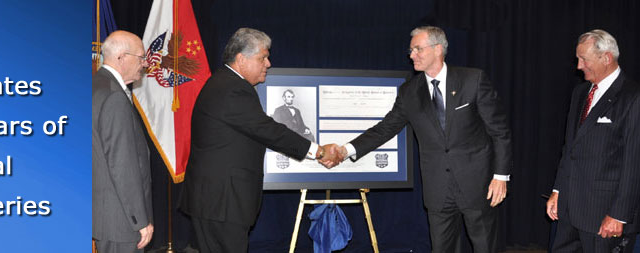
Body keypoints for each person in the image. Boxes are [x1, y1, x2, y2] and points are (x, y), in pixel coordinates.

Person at [323, 26, 511, 252]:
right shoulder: (409, 92)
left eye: (417, 49)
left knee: (486, 247)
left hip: (478, 185)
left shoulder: (473, 79)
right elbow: (384, 129)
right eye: (411, 50)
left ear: (438, 49)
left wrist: (500, 176)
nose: (411, 55)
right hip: (437, 190)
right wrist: (345, 151)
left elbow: (499, 131)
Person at [179, 28, 337, 253]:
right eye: (263, 57)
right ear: (241, 59)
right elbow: (267, 130)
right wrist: (319, 151)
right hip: (222, 202)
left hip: (216, 201)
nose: (269, 63)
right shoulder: (232, 89)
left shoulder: (225, 84)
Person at [546, 29, 640, 252]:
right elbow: (570, 148)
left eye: (583, 59)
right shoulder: (580, 93)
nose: (578, 66)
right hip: (570, 211)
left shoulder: (633, 97)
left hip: (605, 216)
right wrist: (558, 191)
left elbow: (634, 164)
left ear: (606, 58)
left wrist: (619, 214)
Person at [92, 30, 154, 253]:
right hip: (122, 220)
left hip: (106, 215)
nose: (145, 64)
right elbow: (123, 165)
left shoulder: (95, 86)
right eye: (141, 57)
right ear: (121, 57)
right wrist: (139, 220)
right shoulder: (114, 96)